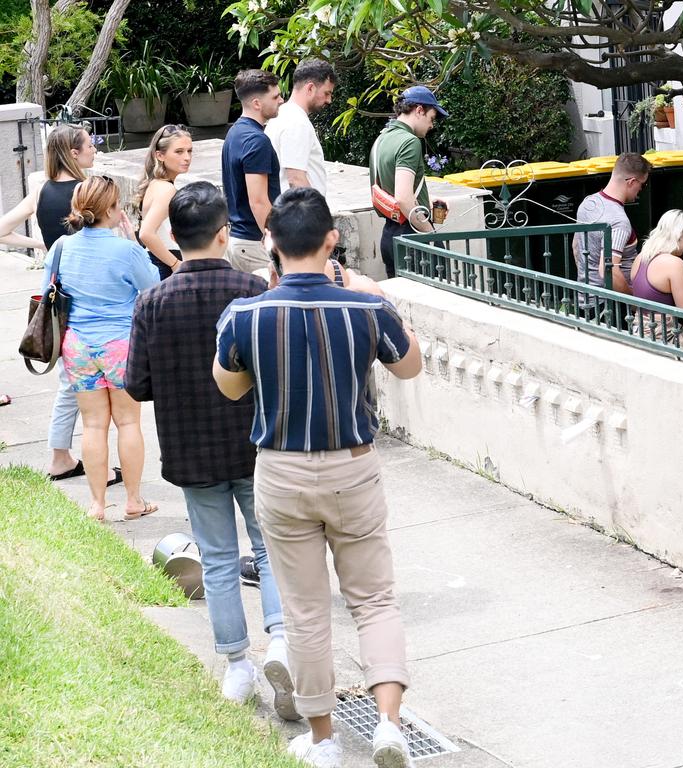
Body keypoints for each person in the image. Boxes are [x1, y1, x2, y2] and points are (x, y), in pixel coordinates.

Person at [213, 187, 422, 768]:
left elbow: (230, 386)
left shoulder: (246, 314)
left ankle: (324, 740)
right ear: (332, 239)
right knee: (375, 601)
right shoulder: (365, 309)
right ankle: (388, 727)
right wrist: (368, 289)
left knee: (305, 612)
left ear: (272, 244)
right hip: (353, 469)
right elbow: (410, 364)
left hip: (281, 472)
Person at [125, 181, 297, 716]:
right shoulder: (250, 291)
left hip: (191, 449)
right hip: (253, 443)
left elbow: (137, 383)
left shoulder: (153, 301)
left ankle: (236, 666)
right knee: (270, 551)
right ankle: (284, 642)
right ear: (224, 234)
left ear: (174, 236)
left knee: (218, 560)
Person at [0, 124, 120, 487]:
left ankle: (61, 455)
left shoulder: (40, 190)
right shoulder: (87, 193)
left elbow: (2, 229)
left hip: (57, 292)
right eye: (89, 146)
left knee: (71, 378)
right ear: (74, 152)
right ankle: (59, 457)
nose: (94, 151)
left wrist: (42, 248)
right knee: (74, 382)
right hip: (89, 293)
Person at [42, 176, 160, 521]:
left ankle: (96, 505)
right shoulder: (126, 250)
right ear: (111, 209)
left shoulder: (61, 247)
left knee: (93, 425)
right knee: (127, 423)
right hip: (120, 344)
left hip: (76, 346)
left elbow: (46, 292)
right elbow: (152, 287)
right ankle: (134, 500)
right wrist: (130, 241)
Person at [369, 85, 448, 278]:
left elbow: (387, 190)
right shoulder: (409, 142)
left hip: (389, 236)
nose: (432, 125)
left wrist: (424, 201)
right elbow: (404, 199)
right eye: (431, 118)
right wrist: (431, 235)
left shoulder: (382, 139)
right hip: (413, 239)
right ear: (419, 110)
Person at [573, 152, 651, 320]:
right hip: (609, 307)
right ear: (631, 182)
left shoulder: (588, 203)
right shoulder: (619, 221)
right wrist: (633, 300)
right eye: (643, 185)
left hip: (584, 299)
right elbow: (608, 270)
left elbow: (576, 247)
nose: (641, 191)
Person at [222, 69, 283, 273]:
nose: (281, 100)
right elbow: (258, 201)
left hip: (238, 241)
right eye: (275, 96)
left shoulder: (235, 132)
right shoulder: (257, 140)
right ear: (257, 103)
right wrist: (276, 243)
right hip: (254, 243)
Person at [265, 58, 335, 196]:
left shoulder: (281, 115)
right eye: (327, 93)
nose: (329, 100)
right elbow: (296, 179)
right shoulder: (296, 123)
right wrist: (315, 213)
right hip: (299, 213)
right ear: (310, 88)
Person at [135, 124, 193, 279]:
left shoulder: (156, 183)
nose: (187, 157)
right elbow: (146, 233)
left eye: (189, 151)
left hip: (159, 262)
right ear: (160, 155)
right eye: (179, 152)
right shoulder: (166, 190)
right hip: (165, 265)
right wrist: (175, 264)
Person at [631, 209, 683, 312]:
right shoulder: (675, 263)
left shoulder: (641, 257)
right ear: (679, 235)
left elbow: (650, 293)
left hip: (638, 325)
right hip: (663, 327)